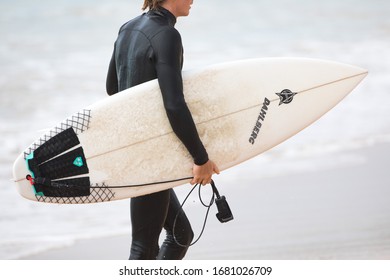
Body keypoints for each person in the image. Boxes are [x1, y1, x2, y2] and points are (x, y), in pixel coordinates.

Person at [106, 0, 220, 260]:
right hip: (150, 154)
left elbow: (113, 88)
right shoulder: (167, 35)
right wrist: (200, 159)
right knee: (143, 246)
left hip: (138, 145)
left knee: (181, 234)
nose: (193, 0)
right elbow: (174, 104)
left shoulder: (128, 28)